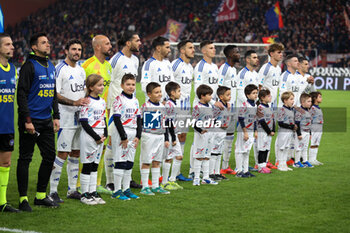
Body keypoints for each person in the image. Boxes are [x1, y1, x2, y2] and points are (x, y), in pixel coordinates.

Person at [17, 32, 60, 211]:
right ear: (34, 47)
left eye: (48, 42)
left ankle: (41, 195)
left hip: (46, 121)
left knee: (50, 157)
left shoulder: (50, 65)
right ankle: (23, 198)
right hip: (31, 121)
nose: (48, 44)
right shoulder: (29, 66)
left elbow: (53, 93)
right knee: (25, 158)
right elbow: (21, 94)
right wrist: (27, 120)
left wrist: (56, 115)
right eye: (43, 42)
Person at [49, 39, 88, 203]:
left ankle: (72, 189)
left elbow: (83, 92)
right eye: (73, 49)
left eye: (79, 49)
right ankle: (52, 191)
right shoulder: (60, 69)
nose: (77, 52)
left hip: (79, 118)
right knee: (63, 154)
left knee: (76, 153)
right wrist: (74, 103)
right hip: (65, 118)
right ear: (66, 51)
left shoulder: (81, 70)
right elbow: (54, 94)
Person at [107, 31, 142, 190]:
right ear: (128, 43)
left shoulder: (135, 60)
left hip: (130, 108)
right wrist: (109, 109)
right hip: (116, 108)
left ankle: (125, 180)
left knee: (128, 145)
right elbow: (108, 82)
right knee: (112, 144)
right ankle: (110, 182)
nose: (140, 43)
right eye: (137, 40)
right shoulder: (116, 59)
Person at [81, 34, 112, 194]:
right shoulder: (87, 65)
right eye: (107, 44)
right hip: (89, 113)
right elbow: (81, 90)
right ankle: (81, 185)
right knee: (87, 150)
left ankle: (96, 184)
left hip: (103, 113)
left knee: (102, 148)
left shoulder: (108, 66)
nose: (110, 46)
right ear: (98, 46)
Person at [190, 41, 222, 177]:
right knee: (199, 137)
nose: (213, 50)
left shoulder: (214, 66)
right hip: (202, 105)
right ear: (203, 51)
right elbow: (199, 88)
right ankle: (193, 170)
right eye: (210, 48)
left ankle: (204, 169)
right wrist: (213, 102)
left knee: (209, 137)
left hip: (211, 105)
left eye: (214, 48)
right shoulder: (200, 67)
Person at [110, 74, 141, 200]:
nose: (131, 87)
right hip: (122, 133)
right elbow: (117, 119)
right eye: (128, 84)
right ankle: (117, 191)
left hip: (133, 133)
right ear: (122, 85)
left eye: (133, 84)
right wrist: (123, 136)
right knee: (120, 161)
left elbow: (139, 119)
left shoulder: (135, 100)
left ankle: (126, 188)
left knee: (129, 162)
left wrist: (138, 136)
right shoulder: (118, 100)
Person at [79, 74, 107, 205]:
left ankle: (92, 191)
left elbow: (104, 119)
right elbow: (84, 122)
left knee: (95, 165)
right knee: (87, 164)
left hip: (100, 138)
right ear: (91, 87)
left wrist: (104, 134)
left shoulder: (102, 101)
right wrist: (96, 137)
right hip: (90, 137)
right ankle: (84, 194)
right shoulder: (86, 101)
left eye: (103, 84)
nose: (102, 87)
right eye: (99, 85)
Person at [0, 33, 20, 213]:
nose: (12, 47)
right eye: (7, 44)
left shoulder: (13, 69)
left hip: (7, 125)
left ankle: (2, 202)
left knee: (5, 164)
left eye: (12, 44)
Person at [170, 40, 195, 181]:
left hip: (186, 107)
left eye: (193, 47)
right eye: (190, 48)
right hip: (176, 107)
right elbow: (169, 85)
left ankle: (177, 171)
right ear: (182, 50)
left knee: (182, 137)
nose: (193, 50)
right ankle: (167, 172)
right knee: (172, 138)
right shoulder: (175, 65)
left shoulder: (190, 67)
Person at [140, 82, 170, 195]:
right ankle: (145, 187)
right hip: (149, 136)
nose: (159, 94)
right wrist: (139, 136)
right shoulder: (145, 106)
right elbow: (140, 122)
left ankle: (156, 185)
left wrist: (166, 138)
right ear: (149, 94)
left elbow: (165, 123)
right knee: (147, 161)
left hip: (160, 136)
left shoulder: (163, 107)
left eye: (160, 92)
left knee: (157, 161)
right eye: (156, 92)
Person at [258, 43, 284, 170]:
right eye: (278, 52)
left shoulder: (278, 69)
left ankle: (266, 161)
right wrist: (259, 105)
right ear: (271, 54)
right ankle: (259, 163)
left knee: (269, 134)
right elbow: (258, 85)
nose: (281, 54)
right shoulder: (265, 68)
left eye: (281, 52)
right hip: (263, 105)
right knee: (261, 135)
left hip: (272, 105)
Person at [218, 45, 240, 175]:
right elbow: (219, 87)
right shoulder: (224, 69)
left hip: (233, 107)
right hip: (225, 108)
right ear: (230, 54)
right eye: (236, 52)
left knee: (230, 137)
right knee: (220, 137)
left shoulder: (233, 69)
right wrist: (224, 104)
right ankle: (215, 166)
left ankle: (225, 166)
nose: (238, 54)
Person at [192, 84, 218, 186]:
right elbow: (193, 121)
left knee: (207, 155)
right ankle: (197, 178)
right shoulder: (197, 107)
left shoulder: (211, 106)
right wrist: (200, 130)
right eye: (209, 95)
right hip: (201, 135)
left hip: (210, 134)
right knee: (199, 156)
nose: (211, 97)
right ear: (202, 96)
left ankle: (206, 177)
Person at [161, 81, 184, 190]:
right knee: (168, 158)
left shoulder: (175, 103)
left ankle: (172, 180)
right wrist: (172, 138)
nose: (180, 93)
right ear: (172, 93)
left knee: (179, 156)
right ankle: (165, 182)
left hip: (174, 134)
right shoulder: (169, 105)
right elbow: (167, 122)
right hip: (170, 135)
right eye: (178, 91)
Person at [235, 84, 258, 178]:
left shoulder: (255, 105)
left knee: (247, 150)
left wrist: (256, 131)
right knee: (240, 150)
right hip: (243, 130)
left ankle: (246, 170)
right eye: (253, 93)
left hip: (251, 130)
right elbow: (240, 119)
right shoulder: (244, 105)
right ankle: (239, 171)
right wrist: (245, 132)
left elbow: (255, 119)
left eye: (256, 93)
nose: (256, 95)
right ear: (247, 95)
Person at [140, 36, 174, 100]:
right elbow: (145, 86)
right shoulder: (149, 64)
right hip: (155, 106)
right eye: (167, 47)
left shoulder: (168, 63)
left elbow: (172, 84)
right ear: (158, 48)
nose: (169, 50)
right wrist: (159, 100)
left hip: (168, 105)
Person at [209, 86, 231, 181]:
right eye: (228, 95)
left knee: (219, 153)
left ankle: (217, 172)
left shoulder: (227, 105)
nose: (230, 96)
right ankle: (211, 173)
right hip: (216, 131)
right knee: (214, 152)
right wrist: (221, 125)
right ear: (221, 97)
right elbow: (212, 119)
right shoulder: (217, 107)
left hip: (223, 132)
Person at [276, 91, 297, 171]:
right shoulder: (282, 110)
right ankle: (280, 165)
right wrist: (291, 126)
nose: (293, 101)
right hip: (283, 132)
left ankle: (284, 164)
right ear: (285, 100)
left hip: (289, 132)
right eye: (291, 99)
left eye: (293, 99)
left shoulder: (291, 110)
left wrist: (293, 126)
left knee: (286, 148)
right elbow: (280, 123)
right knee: (282, 148)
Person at [256, 89, 275, 174]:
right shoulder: (260, 108)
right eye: (268, 96)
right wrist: (269, 131)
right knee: (262, 149)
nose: (270, 97)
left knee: (267, 149)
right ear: (262, 98)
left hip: (269, 132)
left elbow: (273, 119)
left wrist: (273, 130)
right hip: (263, 132)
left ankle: (264, 164)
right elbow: (262, 121)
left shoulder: (269, 107)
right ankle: (260, 166)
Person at [294, 93, 313, 168]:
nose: (310, 103)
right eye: (308, 101)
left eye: (311, 101)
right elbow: (297, 123)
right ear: (302, 102)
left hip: (307, 132)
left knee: (305, 147)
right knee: (298, 147)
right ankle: (297, 162)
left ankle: (305, 161)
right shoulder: (299, 111)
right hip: (301, 132)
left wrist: (310, 133)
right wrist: (299, 134)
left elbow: (310, 123)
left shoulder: (308, 110)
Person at [309, 91, 324, 166]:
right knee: (313, 143)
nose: (321, 98)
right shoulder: (312, 108)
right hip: (314, 126)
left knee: (317, 143)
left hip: (319, 127)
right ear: (314, 98)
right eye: (320, 97)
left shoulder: (317, 107)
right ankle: (311, 159)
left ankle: (314, 159)